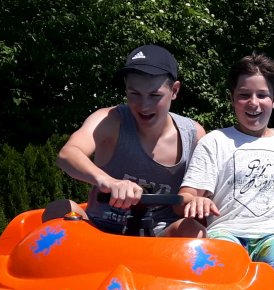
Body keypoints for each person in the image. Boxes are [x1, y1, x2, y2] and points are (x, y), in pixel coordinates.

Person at [178, 53, 274, 288]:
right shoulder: (216, 141)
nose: (253, 102)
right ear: (232, 98)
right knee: (220, 259)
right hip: (226, 231)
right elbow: (186, 196)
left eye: (262, 95)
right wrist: (194, 202)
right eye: (244, 95)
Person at [49, 44, 207, 237]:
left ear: (174, 91)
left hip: (161, 238)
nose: (144, 105)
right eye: (134, 94)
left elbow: (199, 195)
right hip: (101, 231)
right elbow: (68, 154)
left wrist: (199, 200)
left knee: (194, 231)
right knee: (60, 209)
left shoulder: (194, 135)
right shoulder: (109, 120)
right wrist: (108, 182)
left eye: (154, 95)